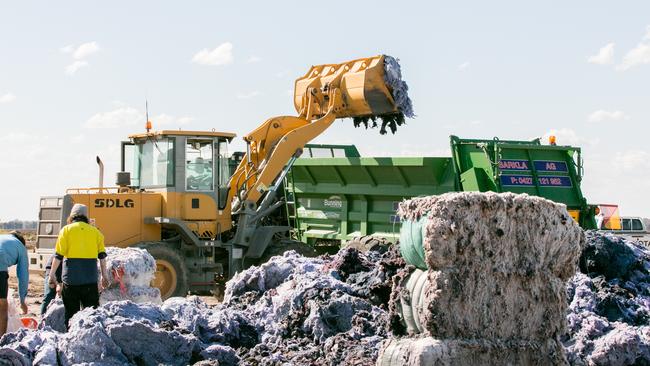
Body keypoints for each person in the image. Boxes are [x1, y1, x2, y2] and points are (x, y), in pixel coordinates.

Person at [48, 204, 109, 330]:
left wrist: (52, 274)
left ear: (71, 216)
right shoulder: (96, 232)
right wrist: (104, 275)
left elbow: (58, 256)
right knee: (91, 316)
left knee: (71, 315)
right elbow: (102, 257)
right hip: (90, 281)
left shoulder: (66, 230)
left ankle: (71, 339)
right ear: (86, 217)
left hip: (71, 281)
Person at [0, 231, 29, 337]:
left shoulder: (3, 238)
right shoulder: (20, 247)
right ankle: (2, 341)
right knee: (2, 305)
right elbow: (23, 276)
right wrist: (22, 301)